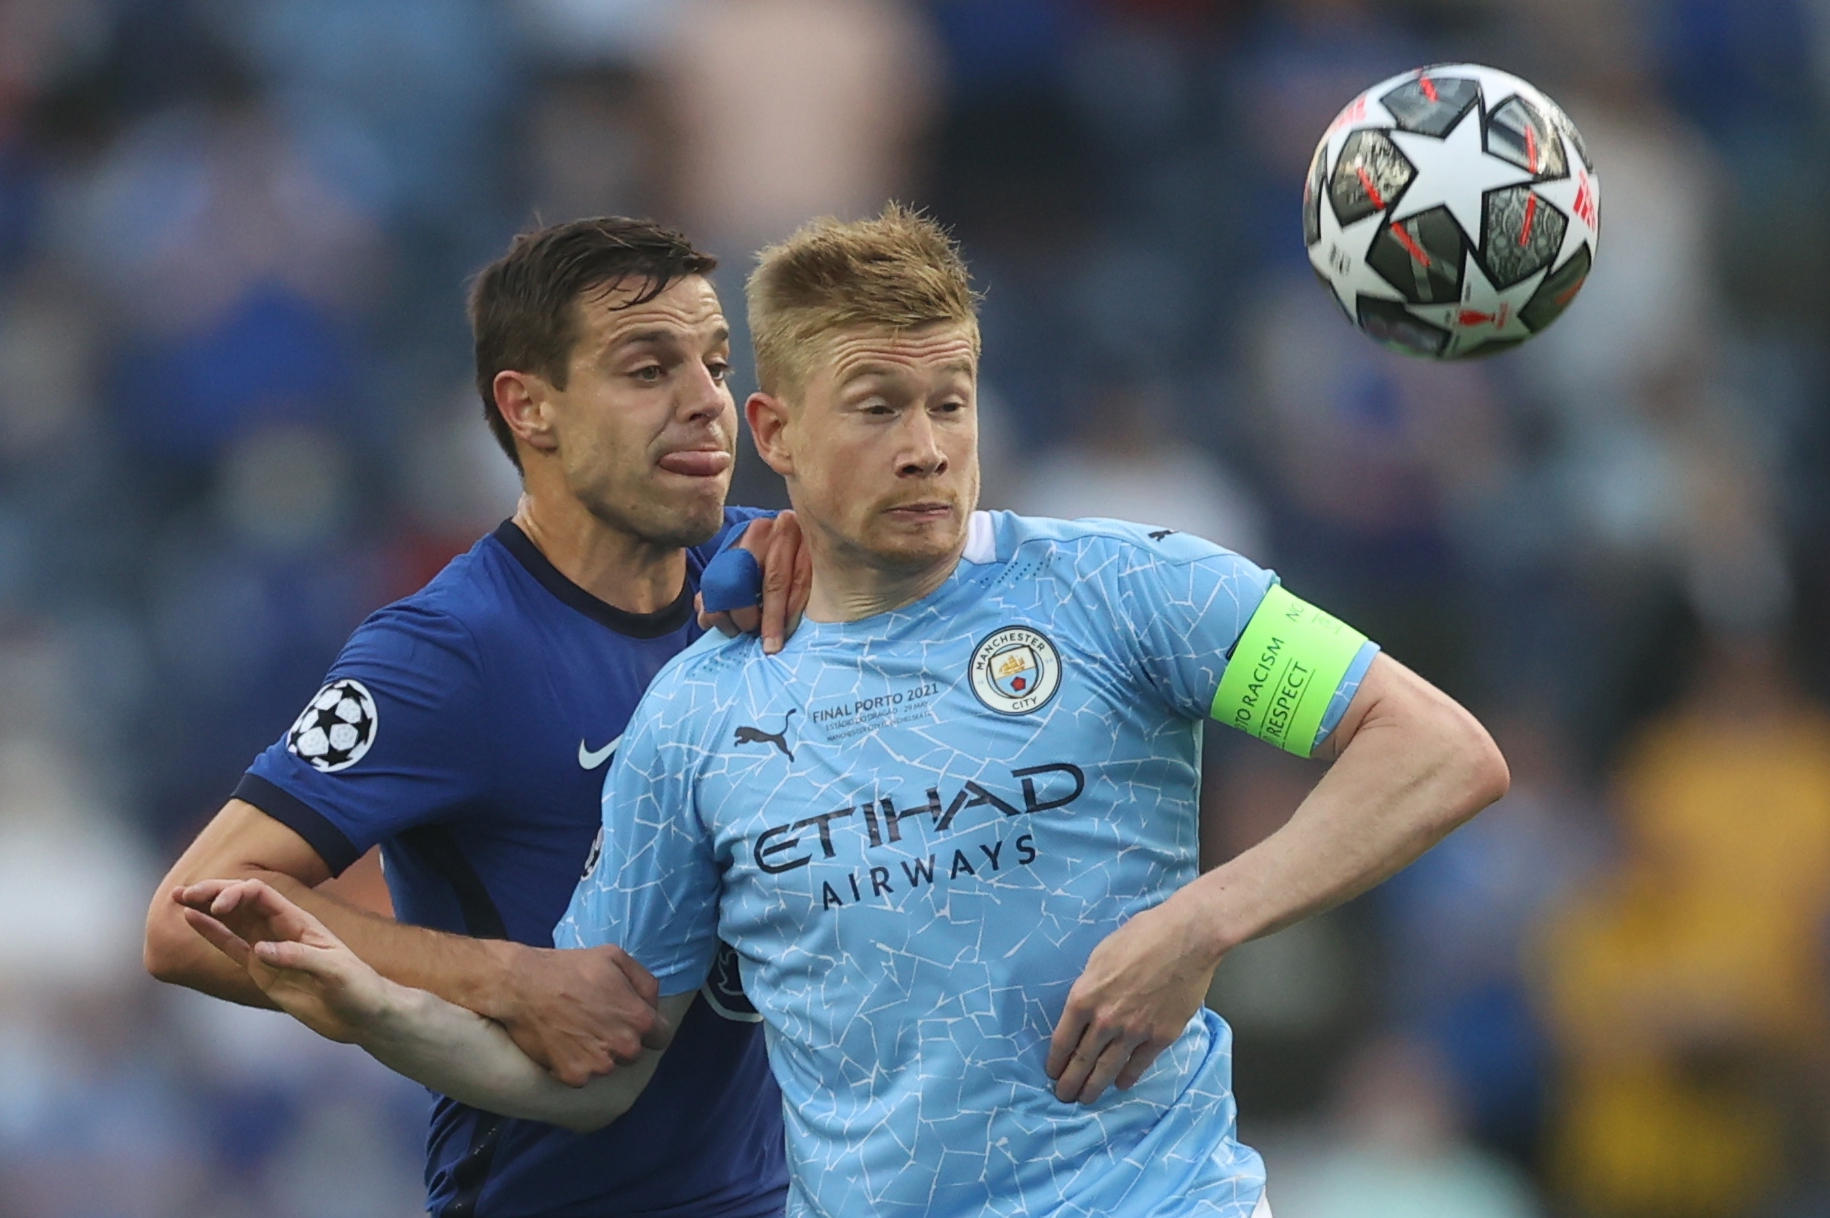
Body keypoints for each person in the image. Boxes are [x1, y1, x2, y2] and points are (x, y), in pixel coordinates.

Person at [180, 207, 1509, 1217]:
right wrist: (377, 996)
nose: (928, 443)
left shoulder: (1129, 585)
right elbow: (590, 1060)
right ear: (783, 428)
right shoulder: (660, 703)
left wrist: (1201, 916)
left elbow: (1437, 747)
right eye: (877, 406)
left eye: (951, 399)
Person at [144, 217, 804, 1218]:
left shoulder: (787, 571)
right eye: (646, 370)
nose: (708, 404)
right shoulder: (449, 651)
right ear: (528, 407)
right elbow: (189, 915)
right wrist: (505, 979)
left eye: (714, 365)